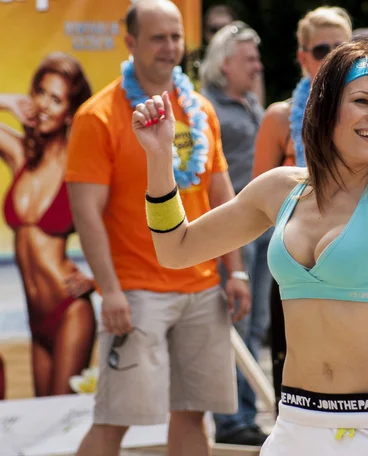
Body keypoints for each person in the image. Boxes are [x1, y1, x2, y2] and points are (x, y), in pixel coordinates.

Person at [134, 41, 368, 455]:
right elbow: (175, 250)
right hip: (298, 424)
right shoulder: (279, 189)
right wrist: (159, 159)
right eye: (362, 101)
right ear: (325, 107)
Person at [65, 1, 250, 455]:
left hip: (203, 288)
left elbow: (220, 193)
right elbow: (86, 212)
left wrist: (237, 270)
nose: (170, 48)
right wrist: (109, 289)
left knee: (193, 414)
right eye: (157, 38)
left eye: (176, 37)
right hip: (136, 290)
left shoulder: (200, 109)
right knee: (115, 419)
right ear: (130, 42)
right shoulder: (99, 115)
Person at [250, 5, 353, 409]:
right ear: (302, 56)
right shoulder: (279, 118)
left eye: (340, 47)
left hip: (362, 257)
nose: (330, 57)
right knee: (296, 376)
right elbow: (257, 200)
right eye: (320, 48)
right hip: (298, 260)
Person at [0, 52, 95, 397]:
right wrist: (9, 101)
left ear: (70, 111)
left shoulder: (81, 164)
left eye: (55, 99)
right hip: (35, 320)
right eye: (40, 92)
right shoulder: (20, 154)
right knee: (43, 428)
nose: (42, 104)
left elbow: (125, 222)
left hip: (69, 313)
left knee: (61, 428)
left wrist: (98, 281)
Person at [200, 21, 269, 445]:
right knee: (235, 325)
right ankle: (230, 419)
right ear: (224, 64)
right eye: (250, 59)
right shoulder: (207, 106)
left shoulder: (248, 104)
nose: (258, 66)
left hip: (261, 227)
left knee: (256, 325)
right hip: (233, 228)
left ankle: (244, 414)